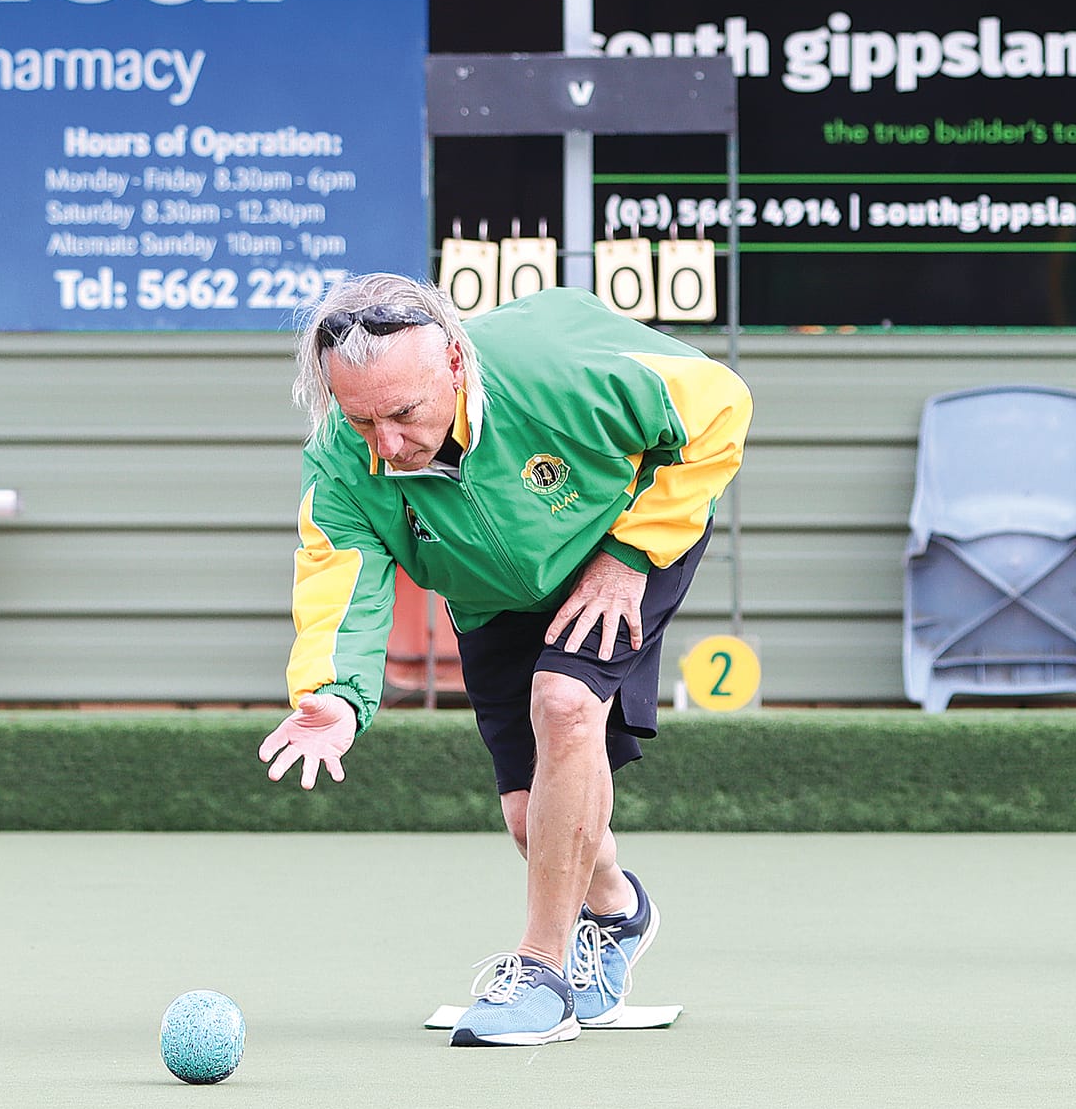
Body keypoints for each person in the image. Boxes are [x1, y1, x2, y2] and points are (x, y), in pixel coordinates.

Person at [260, 273, 751, 1044]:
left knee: (564, 698)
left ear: (455, 362)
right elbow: (340, 579)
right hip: (491, 591)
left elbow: (719, 404)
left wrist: (630, 553)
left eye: (402, 413)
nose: (386, 444)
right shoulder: (342, 463)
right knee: (532, 820)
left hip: (621, 539)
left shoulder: (554, 365)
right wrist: (332, 691)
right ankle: (619, 913)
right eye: (360, 419)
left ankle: (541, 972)